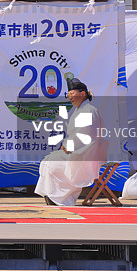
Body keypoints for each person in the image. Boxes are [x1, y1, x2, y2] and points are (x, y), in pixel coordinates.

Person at [35, 77, 105, 206]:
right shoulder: (80, 110)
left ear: (82, 93)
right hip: (79, 149)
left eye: (72, 94)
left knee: (54, 163)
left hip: (86, 152)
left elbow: (85, 133)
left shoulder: (89, 110)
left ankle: (61, 198)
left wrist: (69, 146)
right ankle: (53, 195)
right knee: (48, 161)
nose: (70, 97)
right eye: (68, 95)